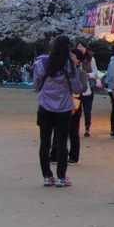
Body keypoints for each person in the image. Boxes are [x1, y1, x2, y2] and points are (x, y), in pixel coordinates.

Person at [33, 35, 82, 187]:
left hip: (45, 105)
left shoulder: (42, 62)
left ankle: (47, 176)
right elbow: (76, 88)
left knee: (45, 141)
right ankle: (61, 176)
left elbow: (36, 85)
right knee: (61, 142)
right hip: (63, 107)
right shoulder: (69, 64)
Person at [53, 49, 89, 166]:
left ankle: (73, 156)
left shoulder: (81, 73)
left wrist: (73, 85)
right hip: (61, 102)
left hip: (74, 102)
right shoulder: (62, 70)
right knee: (58, 129)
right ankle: (54, 154)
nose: (70, 58)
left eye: (73, 56)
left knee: (73, 130)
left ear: (78, 60)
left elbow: (84, 87)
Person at [76, 41, 96, 137]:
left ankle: (87, 128)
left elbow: (95, 72)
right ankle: (74, 128)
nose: (81, 49)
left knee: (87, 109)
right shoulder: (73, 59)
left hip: (88, 86)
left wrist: (88, 75)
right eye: (79, 47)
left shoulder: (91, 59)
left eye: (83, 47)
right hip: (76, 87)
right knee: (75, 109)